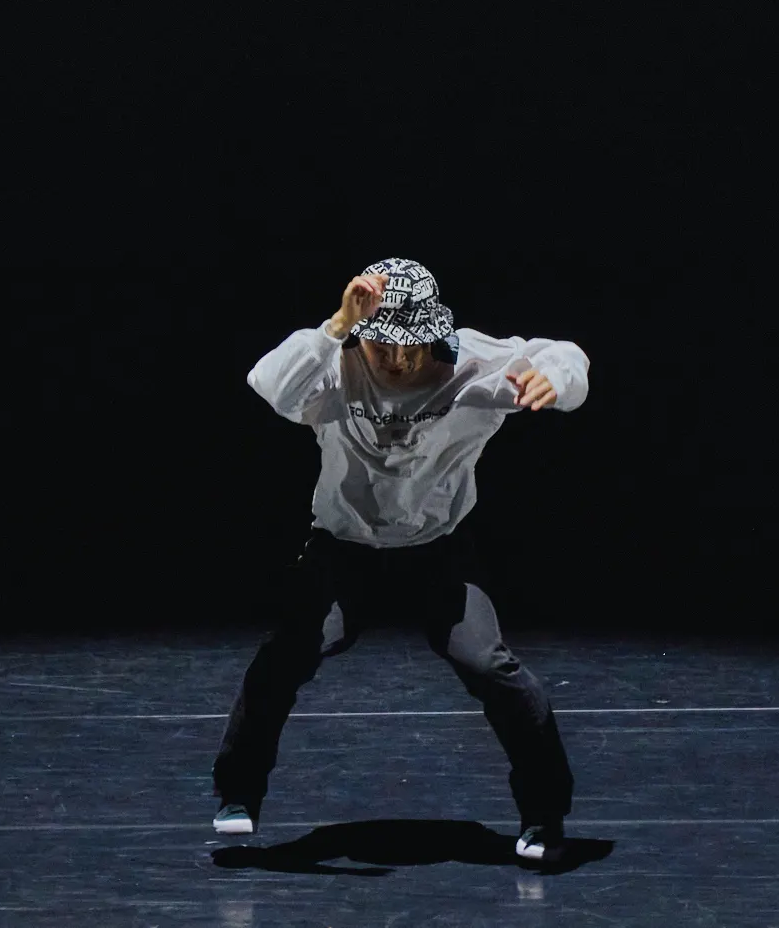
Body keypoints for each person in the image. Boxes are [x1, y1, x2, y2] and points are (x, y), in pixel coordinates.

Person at [211, 258, 585, 864]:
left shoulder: (471, 364)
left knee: (490, 666)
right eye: (379, 345)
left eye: (407, 348)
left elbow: (563, 354)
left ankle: (545, 815)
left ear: (432, 335)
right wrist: (336, 326)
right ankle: (238, 793)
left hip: (438, 551)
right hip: (345, 549)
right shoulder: (335, 364)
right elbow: (270, 384)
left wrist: (557, 380)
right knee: (286, 655)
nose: (392, 360)